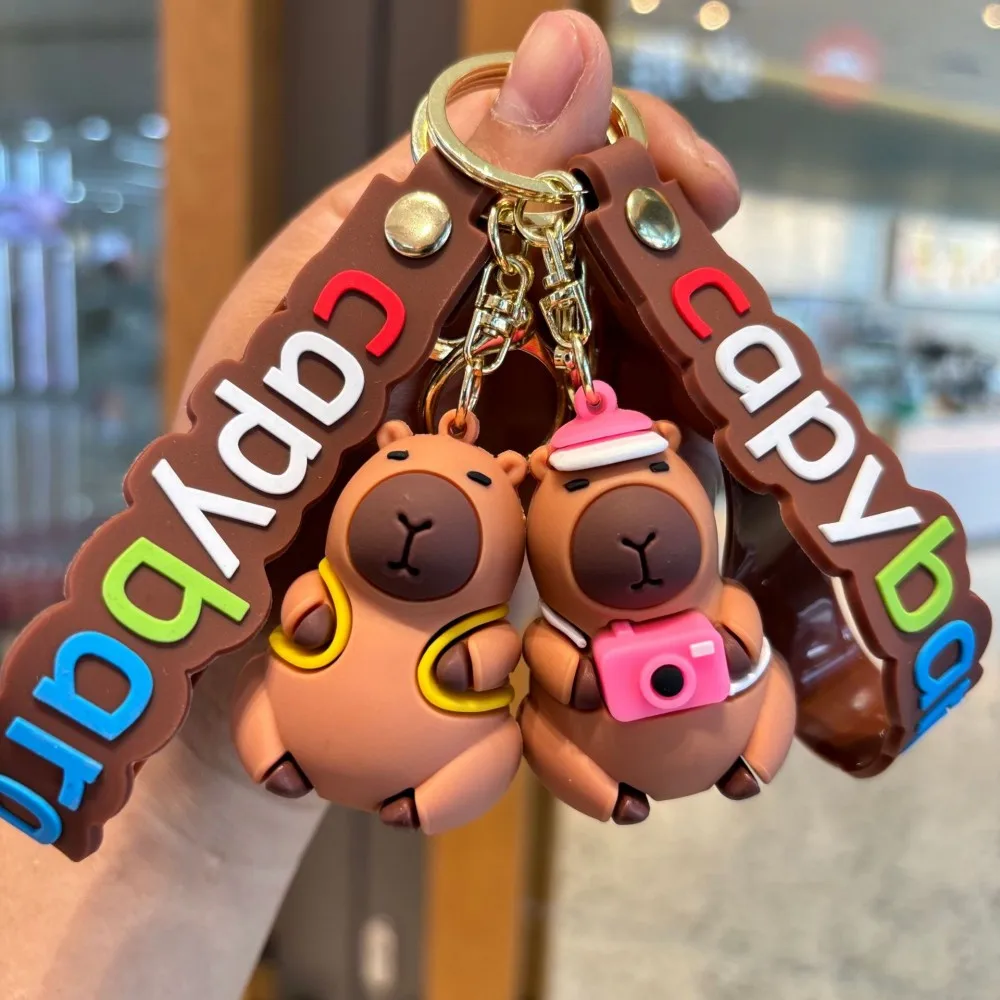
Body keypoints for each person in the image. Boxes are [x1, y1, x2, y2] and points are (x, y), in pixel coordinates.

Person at [0, 11, 740, 998]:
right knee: (267, 705)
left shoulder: (525, 610)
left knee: (502, 751)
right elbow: (342, 619)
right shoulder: (354, 572)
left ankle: (477, 786)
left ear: (519, 486)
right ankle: (288, 753)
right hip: (286, 718)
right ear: (384, 451)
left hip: (449, 750)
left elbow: (510, 656)